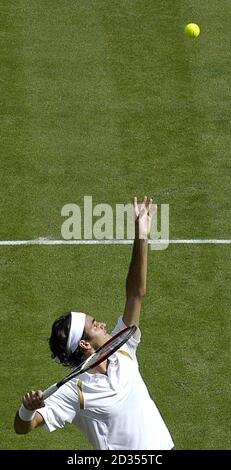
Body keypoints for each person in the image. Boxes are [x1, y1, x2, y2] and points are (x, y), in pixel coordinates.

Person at [14, 196, 174, 450]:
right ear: (85, 343)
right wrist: (26, 409)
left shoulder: (122, 347)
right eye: (93, 324)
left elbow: (135, 293)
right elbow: (24, 427)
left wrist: (141, 235)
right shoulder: (73, 392)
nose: (101, 323)